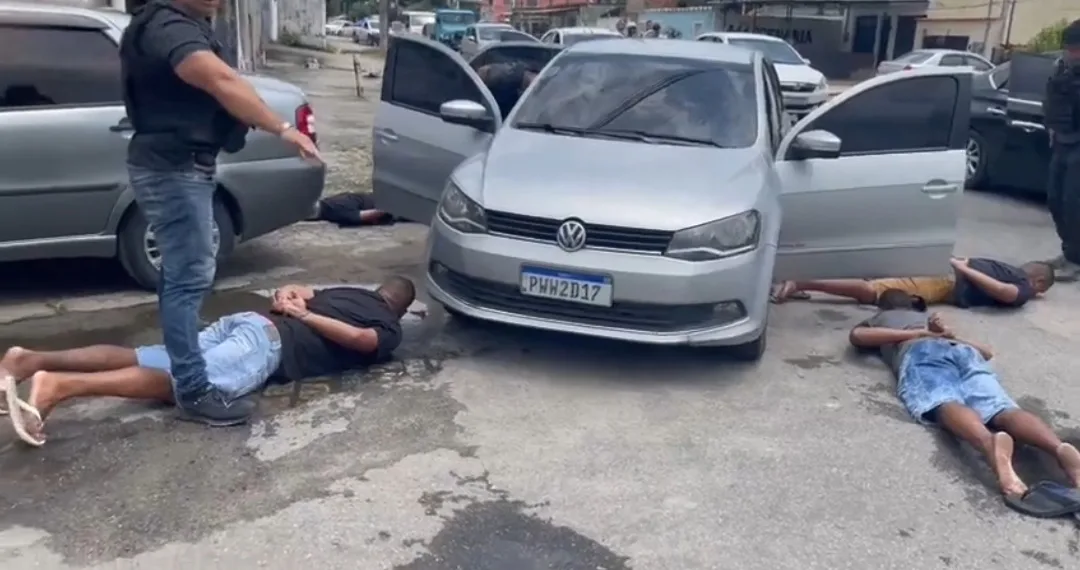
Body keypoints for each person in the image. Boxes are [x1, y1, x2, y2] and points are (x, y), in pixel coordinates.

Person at [120, 0, 321, 426]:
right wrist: (284, 130)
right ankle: (193, 389)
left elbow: (225, 81)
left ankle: (188, 357)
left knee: (188, 273)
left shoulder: (179, 23)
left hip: (182, 165)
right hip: (173, 168)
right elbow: (217, 78)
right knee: (186, 275)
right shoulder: (166, 27)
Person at [0, 277, 416, 446]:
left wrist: (288, 299)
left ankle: (27, 360)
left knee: (149, 356)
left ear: (378, 289)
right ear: (398, 309)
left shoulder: (346, 291)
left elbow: (294, 288)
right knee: (190, 385)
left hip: (246, 324)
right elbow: (364, 340)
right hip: (267, 342)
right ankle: (59, 385)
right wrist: (304, 315)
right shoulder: (388, 324)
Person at [850, 288, 1080, 498]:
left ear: (883, 306)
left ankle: (989, 444)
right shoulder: (927, 320)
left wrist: (922, 335)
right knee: (1001, 407)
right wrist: (945, 335)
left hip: (921, 352)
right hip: (964, 352)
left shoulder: (880, 318)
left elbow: (858, 336)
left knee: (942, 399)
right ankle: (1058, 448)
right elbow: (987, 352)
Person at [772, 257, 1054, 309]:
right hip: (949, 279)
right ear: (1039, 282)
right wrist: (963, 269)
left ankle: (800, 276)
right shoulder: (1024, 285)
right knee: (874, 291)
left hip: (946, 264)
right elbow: (1006, 294)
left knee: (876, 277)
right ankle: (800, 281)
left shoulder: (1007, 268)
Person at [1043, 19, 1080, 281]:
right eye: (1069, 47)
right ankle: (1069, 252)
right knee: (1055, 198)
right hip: (1062, 139)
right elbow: (1050, 100)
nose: (1071, 52)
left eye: (1075, 48)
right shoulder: (1061, 67)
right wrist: (1051, 128)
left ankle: (1075, 259)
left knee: (1073, 202)